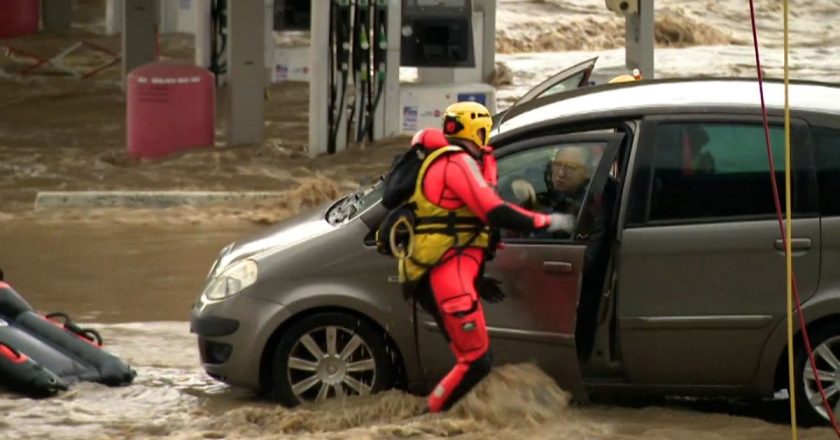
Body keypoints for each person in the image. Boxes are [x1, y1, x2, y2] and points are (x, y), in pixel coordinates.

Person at [401, 101, 573, 413]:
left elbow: (458, 224)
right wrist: (548, 222)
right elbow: (492, 210)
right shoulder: (456, 162)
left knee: (470, 361)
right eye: (485, 131)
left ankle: (444, 419)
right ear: (477, 130)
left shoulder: (443, 161)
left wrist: (477, 280)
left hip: (446, 275)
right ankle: (424, 423)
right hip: (448, 279)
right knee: (476, 362)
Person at [510, 145, 616, 359]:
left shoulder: (592, 203)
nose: (560, 173)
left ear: (587, 172)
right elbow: (522, 168)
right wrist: (517, 184)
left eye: (570, 168)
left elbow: (588, 260)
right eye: (557, 165)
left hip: (576, 294)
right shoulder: (561, 192)